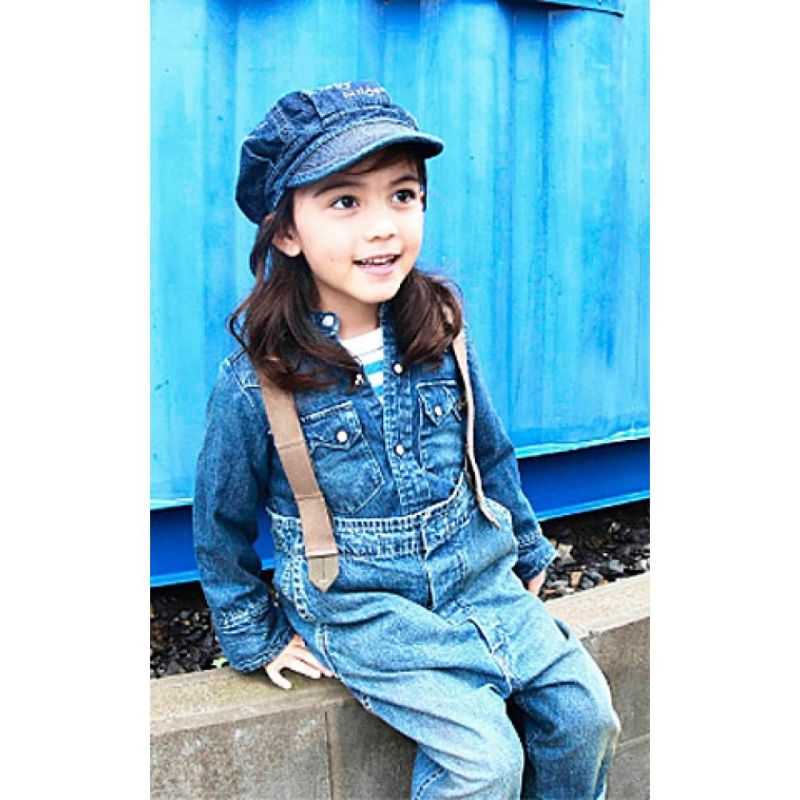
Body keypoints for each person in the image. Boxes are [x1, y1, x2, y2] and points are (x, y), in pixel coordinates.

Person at [193, 80, 620, 800]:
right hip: (364, 609)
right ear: (287, 232)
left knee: (585, 717)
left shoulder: (441, 331)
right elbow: (220, 518)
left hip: (476, 575)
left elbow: (489, 452)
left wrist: (524, 546)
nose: (383, 228)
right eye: (345, 202)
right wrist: (252, 631)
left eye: (402, 195)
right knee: (484, 763)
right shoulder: (259, 381)